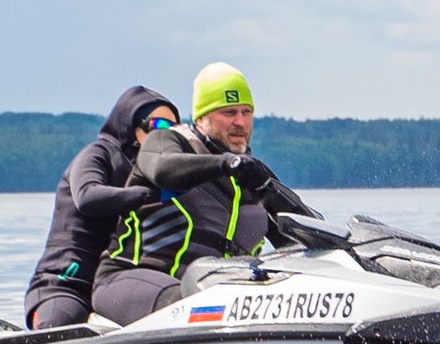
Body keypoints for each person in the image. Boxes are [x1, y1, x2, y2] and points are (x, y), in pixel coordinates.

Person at [92, 62, 312, 324]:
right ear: (201, 118)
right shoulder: (167, 142)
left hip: (217, 300)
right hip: (131, 281)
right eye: (228, 113)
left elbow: (303, 232)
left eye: (246, 112)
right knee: (203, 306)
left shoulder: (254, 174)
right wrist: (227, 164)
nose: (240, 122)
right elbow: (162, 168)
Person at [22, 86, 180, 329]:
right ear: (130, 125)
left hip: (119, 284)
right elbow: (87, 197)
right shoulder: (98, 153)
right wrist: (148, 194)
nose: (165, 135)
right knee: (62, 327)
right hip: (67, 284)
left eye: (173, 129)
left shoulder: (155, 173)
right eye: (158, 125)